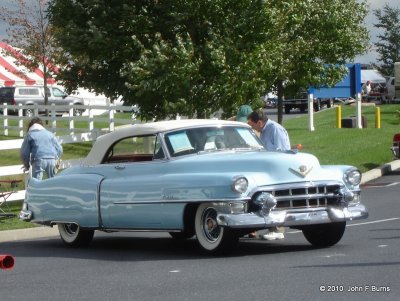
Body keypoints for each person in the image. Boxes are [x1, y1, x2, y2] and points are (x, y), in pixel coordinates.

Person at [247, 109, 291, 240]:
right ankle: (271, 227)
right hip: (268, 171)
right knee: (267, 199)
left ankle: (278, 229)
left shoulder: (276, 129)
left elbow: (283, 151)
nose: (251, 127)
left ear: (259, 122)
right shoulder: (264, 131)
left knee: (276, 199)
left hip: (279, 170)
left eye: (252, 124)